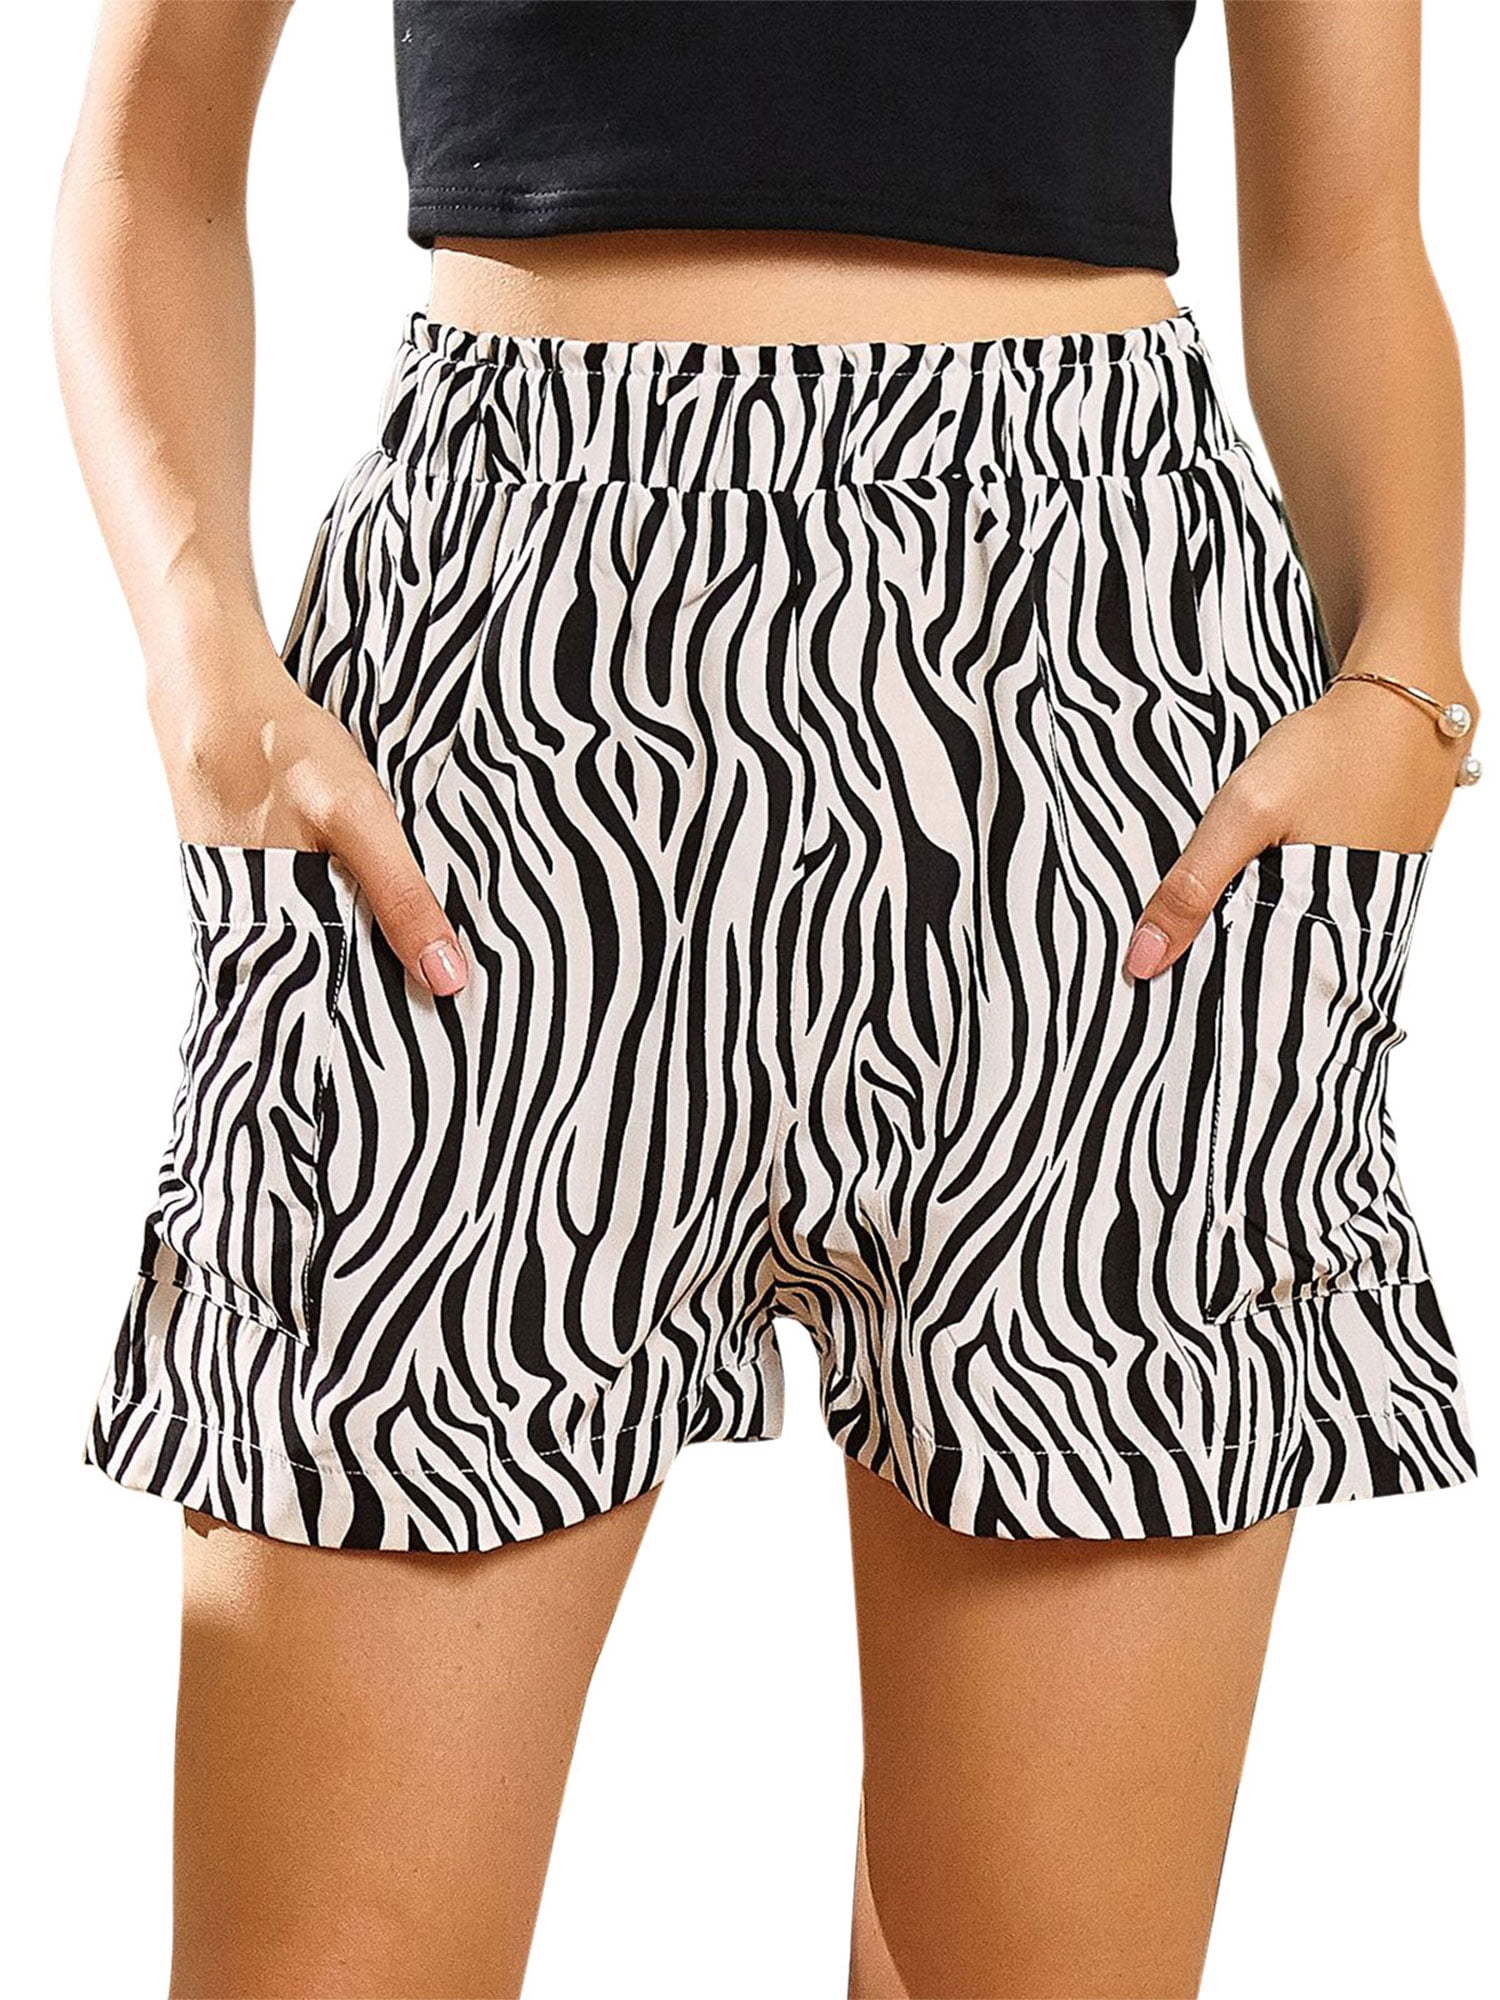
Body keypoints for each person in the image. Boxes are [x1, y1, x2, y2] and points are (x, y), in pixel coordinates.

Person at [53, 3, 1481, 1995]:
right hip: (496, 738)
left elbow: (1347, 237)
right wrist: (200, 653)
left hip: (1095, 751)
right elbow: (151, 151)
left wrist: (1408, 669)